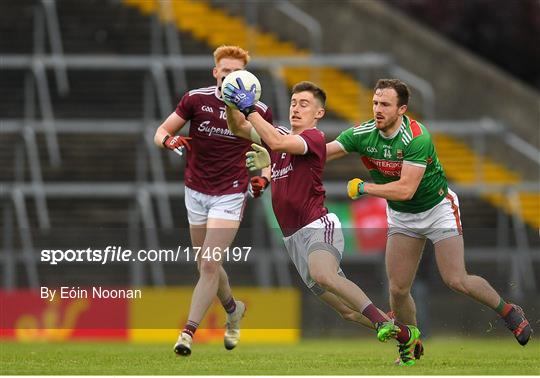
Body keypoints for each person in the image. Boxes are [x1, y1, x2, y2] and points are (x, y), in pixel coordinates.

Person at [325, 78, 532, 363]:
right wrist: (282, 156)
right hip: (402, 216)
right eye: (375, 103)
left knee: (456, 279)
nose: (377, 109)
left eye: (385, 104)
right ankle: (410, 345)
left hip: (437, 209)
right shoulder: (363, 134)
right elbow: (322, 153)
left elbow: (406, 189)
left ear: (402, 109)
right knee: (398, 289)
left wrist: (364, 187)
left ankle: (509, 311)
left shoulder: (417, 136)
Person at [224, 79, 422, 366]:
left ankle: (383, 323)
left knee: (324, 274)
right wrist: (231, 105)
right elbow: (237, 128)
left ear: (319, 113)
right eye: (293, 103)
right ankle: (405, 335)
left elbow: (278, 141)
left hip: (318, 225)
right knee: (348, 312)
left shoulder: (312, 138)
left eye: (304, 104)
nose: (296, 108)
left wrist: (248, 106)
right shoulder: (277, 134)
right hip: (293, 239)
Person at [154, 45, 273, 356]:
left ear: (246, 76)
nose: (230, 76)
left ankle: (187, 333)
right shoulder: (196, 99)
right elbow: (161, 131)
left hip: (231, 192)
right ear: (216, 72)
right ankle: (233, 309)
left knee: (209, 263)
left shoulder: (258, 110)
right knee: (204, 263)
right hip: (195, 190)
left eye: (237, 72)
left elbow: (272, 149)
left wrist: (264, 176)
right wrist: (169, 140)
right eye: (226, 70)